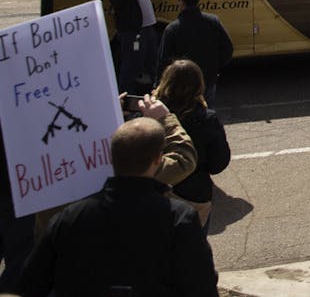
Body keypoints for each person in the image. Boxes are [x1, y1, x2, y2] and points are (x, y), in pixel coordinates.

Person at [15, 117, 218, 296]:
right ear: (158, 159)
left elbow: (31, 284)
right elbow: (201, 285)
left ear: (111, 158)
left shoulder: (69, 217)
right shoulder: (179, 218)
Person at [153, 59, 230, 229]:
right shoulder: (206, 119)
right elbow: (218, 163)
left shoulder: (148, 114)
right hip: (193, 196)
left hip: (154, 194)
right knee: (193, 249)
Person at [157, 0, 234, 105]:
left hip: (183, 83)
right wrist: (215, 66)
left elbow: (164, 60)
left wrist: (159, 85)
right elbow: (227, 48)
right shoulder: (213, 21)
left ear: (181, 1)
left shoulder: (172, 29)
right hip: (208, 78)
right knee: (207, 111)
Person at [102, 0, 161, 94]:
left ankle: (157, 92)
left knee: (153, 61)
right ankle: (125, 97)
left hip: (147, 28)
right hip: (132, 32)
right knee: (132, 64)